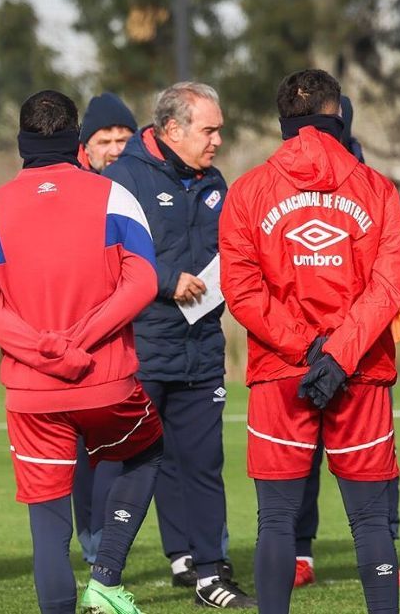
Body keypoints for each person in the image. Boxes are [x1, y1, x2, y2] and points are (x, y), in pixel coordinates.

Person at [0, 90, 163, 614]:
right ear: (76, 140)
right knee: (145, 451)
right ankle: (107, 574)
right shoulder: (113, 196)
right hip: (107, 380)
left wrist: (46, 349)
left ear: (22, 143)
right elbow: (143, 281)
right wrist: (83, 339)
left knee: (48, 527)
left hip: (33, 393)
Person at [221, 68, 400, 614]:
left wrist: (308, 350)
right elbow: (391, 282)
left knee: (276, 520)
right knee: (371, 519)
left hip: (283, 374)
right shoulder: (377, 189)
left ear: (283, 125)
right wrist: (336, 353)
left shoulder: (248, 191)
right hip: (360, 372)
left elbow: (241, 288)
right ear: (339, 115)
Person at [103, 82, 254, 608]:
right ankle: (106, 578)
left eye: (219, 129)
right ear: (173, 130)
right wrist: (167, 279)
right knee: (134, 466)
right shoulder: (122, 177)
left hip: (202, 348)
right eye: (209, 129)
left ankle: (211, 574)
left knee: (205, 463)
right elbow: (109, 254)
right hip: (141, 348)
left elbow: (233, 251)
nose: (217, 140)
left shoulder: (216, 183)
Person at [292, 95, 400, 591]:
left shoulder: (372, 181)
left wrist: (362, 326)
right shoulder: (282, 182)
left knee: (376, 462)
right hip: (303, 349)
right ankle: (300, 553)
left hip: (365, 349)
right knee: (300, 458)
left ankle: (385, 549)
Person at [69, 92, 134, 566]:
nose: (114, 148)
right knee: (85, 461)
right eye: (104, 139)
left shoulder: (140, 192)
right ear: (85, 147)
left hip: (141, 343)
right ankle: (95, 549)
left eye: (122, 138)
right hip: (79, 348)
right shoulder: (71, 192)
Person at [78, 93, 137, 173]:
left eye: (121, 141)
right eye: (104, 143)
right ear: (86, 148)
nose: (115, 152)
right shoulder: (68, 183)